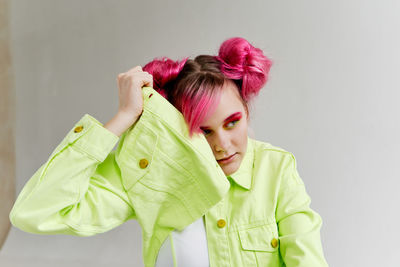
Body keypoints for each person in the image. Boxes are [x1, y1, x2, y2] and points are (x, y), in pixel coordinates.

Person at [9, 37, 328, 266]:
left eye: (232, 123)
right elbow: (34, 212)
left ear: (247, 111)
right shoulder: (152, 176)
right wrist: (121, 119)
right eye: (203, 131)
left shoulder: (277, 170)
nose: (222, 145)